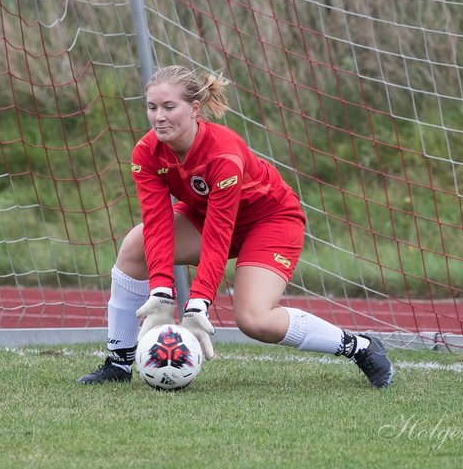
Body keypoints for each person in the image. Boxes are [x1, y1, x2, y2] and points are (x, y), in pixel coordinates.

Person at [77, 64, 393, 387]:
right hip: (205, 214)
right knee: (135, 245)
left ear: (194, 109)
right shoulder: (146, 152)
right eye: (152, 107)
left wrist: (197, 303)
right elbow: (157, 225)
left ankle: (360, 347)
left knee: (254, 320)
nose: (159, 116)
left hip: (269, 221)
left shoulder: (223, 154)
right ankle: (118, 362)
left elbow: (219, 235)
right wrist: (161, 293)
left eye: (169, 107)